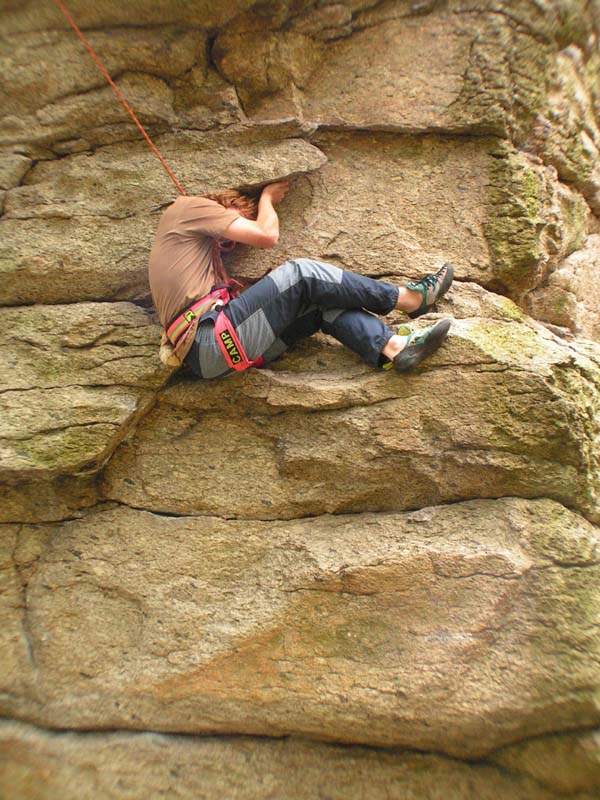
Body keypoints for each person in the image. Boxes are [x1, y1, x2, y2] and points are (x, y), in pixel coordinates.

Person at [148, 181, 453, 379]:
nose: (234, 236)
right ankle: (409, 299)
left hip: (220, 357)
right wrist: (267, 197)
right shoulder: (188, 206)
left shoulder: (199, 262)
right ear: (229, 205)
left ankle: (394, 348)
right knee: (301, 273)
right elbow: (266, 235)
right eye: (240, 219)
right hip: (210, 342)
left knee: (318, 304)